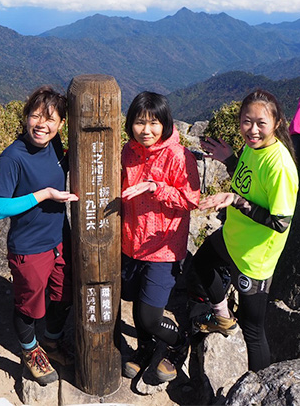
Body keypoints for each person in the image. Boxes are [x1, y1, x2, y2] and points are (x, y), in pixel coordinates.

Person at [194, 89, 299, 371]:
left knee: (253, 332)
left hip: (255, 259)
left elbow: (280, 222)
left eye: (261, 123)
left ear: (276, 123)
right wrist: (230, 159)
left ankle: (257, 390)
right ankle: (223, 317)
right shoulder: (254, 150)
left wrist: (234, 200)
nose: (252, 130)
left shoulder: (280, 166)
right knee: (201, 263)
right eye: (246, 121)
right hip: (233, 237)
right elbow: (249, 183)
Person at [0, 86, 78, 386]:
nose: (41, 124)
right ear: (25, 117)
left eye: (50, 118)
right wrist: (43, 195)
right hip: (29, 247)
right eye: (35, 116)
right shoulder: (12, 157)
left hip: (58, 240)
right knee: (30, 306)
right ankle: (31, 352)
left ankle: (50, 344)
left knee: (64, 295)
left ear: (61, 124)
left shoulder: (54, 145)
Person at [120, 92, 200, 382]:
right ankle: (145, 348)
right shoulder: (128, 152)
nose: (146, 130)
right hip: (130, 244)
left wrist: (156, 187)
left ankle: (179, 344)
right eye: (140, 123)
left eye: (153, 123)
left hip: (163, 250)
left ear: (165, 123)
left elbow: (191, 199)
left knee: (150, 316)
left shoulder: (179, 156)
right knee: (136, 304)